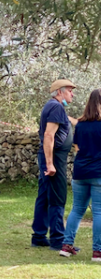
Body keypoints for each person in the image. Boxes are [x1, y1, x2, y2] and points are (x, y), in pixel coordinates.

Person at [31, 79, 78, 251]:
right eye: (70, 91)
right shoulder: (56, 107)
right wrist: (50, 164)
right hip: (54, 158)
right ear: (60, 92)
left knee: (44, 196)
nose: (72, 94)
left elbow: (70, 121)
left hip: (49, 157)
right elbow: (49, 136)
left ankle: (39, 236)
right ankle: (58, 239)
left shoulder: (53, 106)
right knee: (58, 196)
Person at [59, 89, 101, 261]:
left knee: (77, 209)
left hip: (80, 173)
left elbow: (77, 148)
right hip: (98, 173)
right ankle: (97, 251)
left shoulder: (81, 125)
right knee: (99, 212)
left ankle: (66, 246)